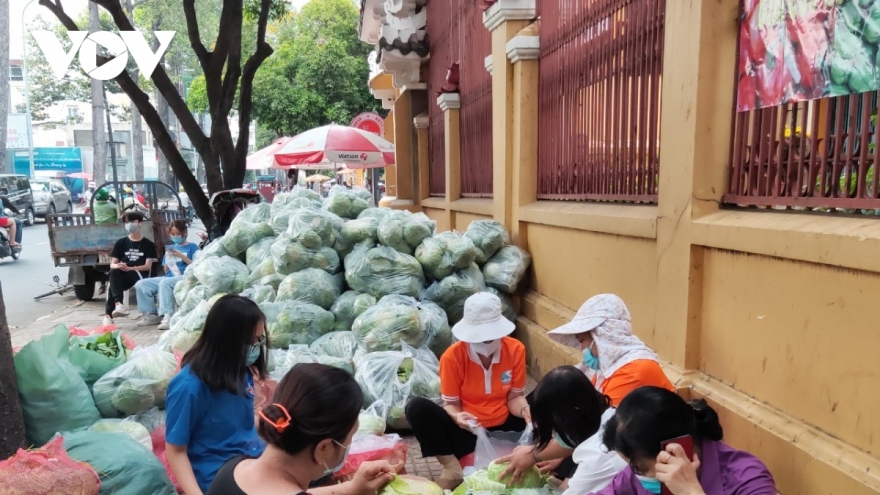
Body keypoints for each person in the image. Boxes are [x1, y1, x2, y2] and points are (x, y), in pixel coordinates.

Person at [502, 294, 675, 486]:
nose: (582, 348)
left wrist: (534, 455)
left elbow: (599, 433)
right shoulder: (608, 367)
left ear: (603, 336)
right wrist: (559, 455)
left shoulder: (633, 372)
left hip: (645, 457)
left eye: (584, 340)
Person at [206, 363, 401, 495]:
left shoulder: (233, 468)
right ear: (323, 449)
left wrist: (351, 488)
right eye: (349, 439)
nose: (348, 446)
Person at [405, 292, 529, 489]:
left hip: (505, 427)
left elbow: (515, 398)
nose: (487, 341)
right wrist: (457, 417)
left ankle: (535, 454)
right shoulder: (452, 357)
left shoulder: (515, 350)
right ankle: (452, 468)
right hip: (468, 431)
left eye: (491, 336)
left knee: (552, 391)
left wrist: (525, 411)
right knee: (416, 407)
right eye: (482, 337)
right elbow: (452, 405)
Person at [166, 295, 270, 494]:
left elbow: (240, 422)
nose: (257, 346)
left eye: (259, 339)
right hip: (218, 475)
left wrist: (272, 424)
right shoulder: (189, 386)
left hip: (251, 460)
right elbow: (176, 450)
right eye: (253, 340)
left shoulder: (239, 370)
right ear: (228, 340)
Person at [593, 386, 777, 495]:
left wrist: (691, 493)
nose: (635, 473)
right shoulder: (637, 474)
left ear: (676, 449)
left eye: (639, 468)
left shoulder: (747, 479)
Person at [499, 366, 627, 494]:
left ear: (567, 419)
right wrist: (534, 455)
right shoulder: (608, 415)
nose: (555, 435)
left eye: (554, 428)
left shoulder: (596, 457)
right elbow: (577, 436)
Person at [135, 220, 199, 330]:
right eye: (172, 234)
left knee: (165, 283)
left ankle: (168, 315)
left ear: (184, 232)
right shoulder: (171, 248)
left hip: (185, 277)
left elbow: (197, 266)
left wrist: (181, 256)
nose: (175, 236)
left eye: (178, 234)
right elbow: (165, 270)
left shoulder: (193, 247)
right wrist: (169, 259)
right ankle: (151, 315)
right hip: (170, 277)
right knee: (141, 284)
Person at [103, 211, 157, 325]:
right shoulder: (121, 243)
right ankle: (118, 305)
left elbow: (147, 267)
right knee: (113, 273)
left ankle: (108, 315)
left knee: (113, 285)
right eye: (127, 222)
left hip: (138, 272)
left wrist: (129, 268)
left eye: (132, 221)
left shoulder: (148, 244)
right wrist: (118, 266)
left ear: (140, 223)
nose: (129, 224)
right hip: (122, 273)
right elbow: (112, 264)